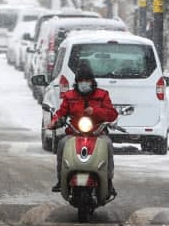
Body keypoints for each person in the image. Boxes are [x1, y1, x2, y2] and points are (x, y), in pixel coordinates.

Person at [48, 59, 119, 197]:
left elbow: (112, 114)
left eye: (87, 80)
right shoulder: (70, 96)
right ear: (77, 81)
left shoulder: (102, 95)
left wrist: (96, 112)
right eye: (81, 80)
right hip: (74, 133)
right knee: (62, 144)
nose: (84, 83)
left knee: (108, 145)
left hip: (97, 133)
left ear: (92, 81)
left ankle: (108, 180)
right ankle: (61, 179)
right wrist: (55, 121)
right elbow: (61, 112)